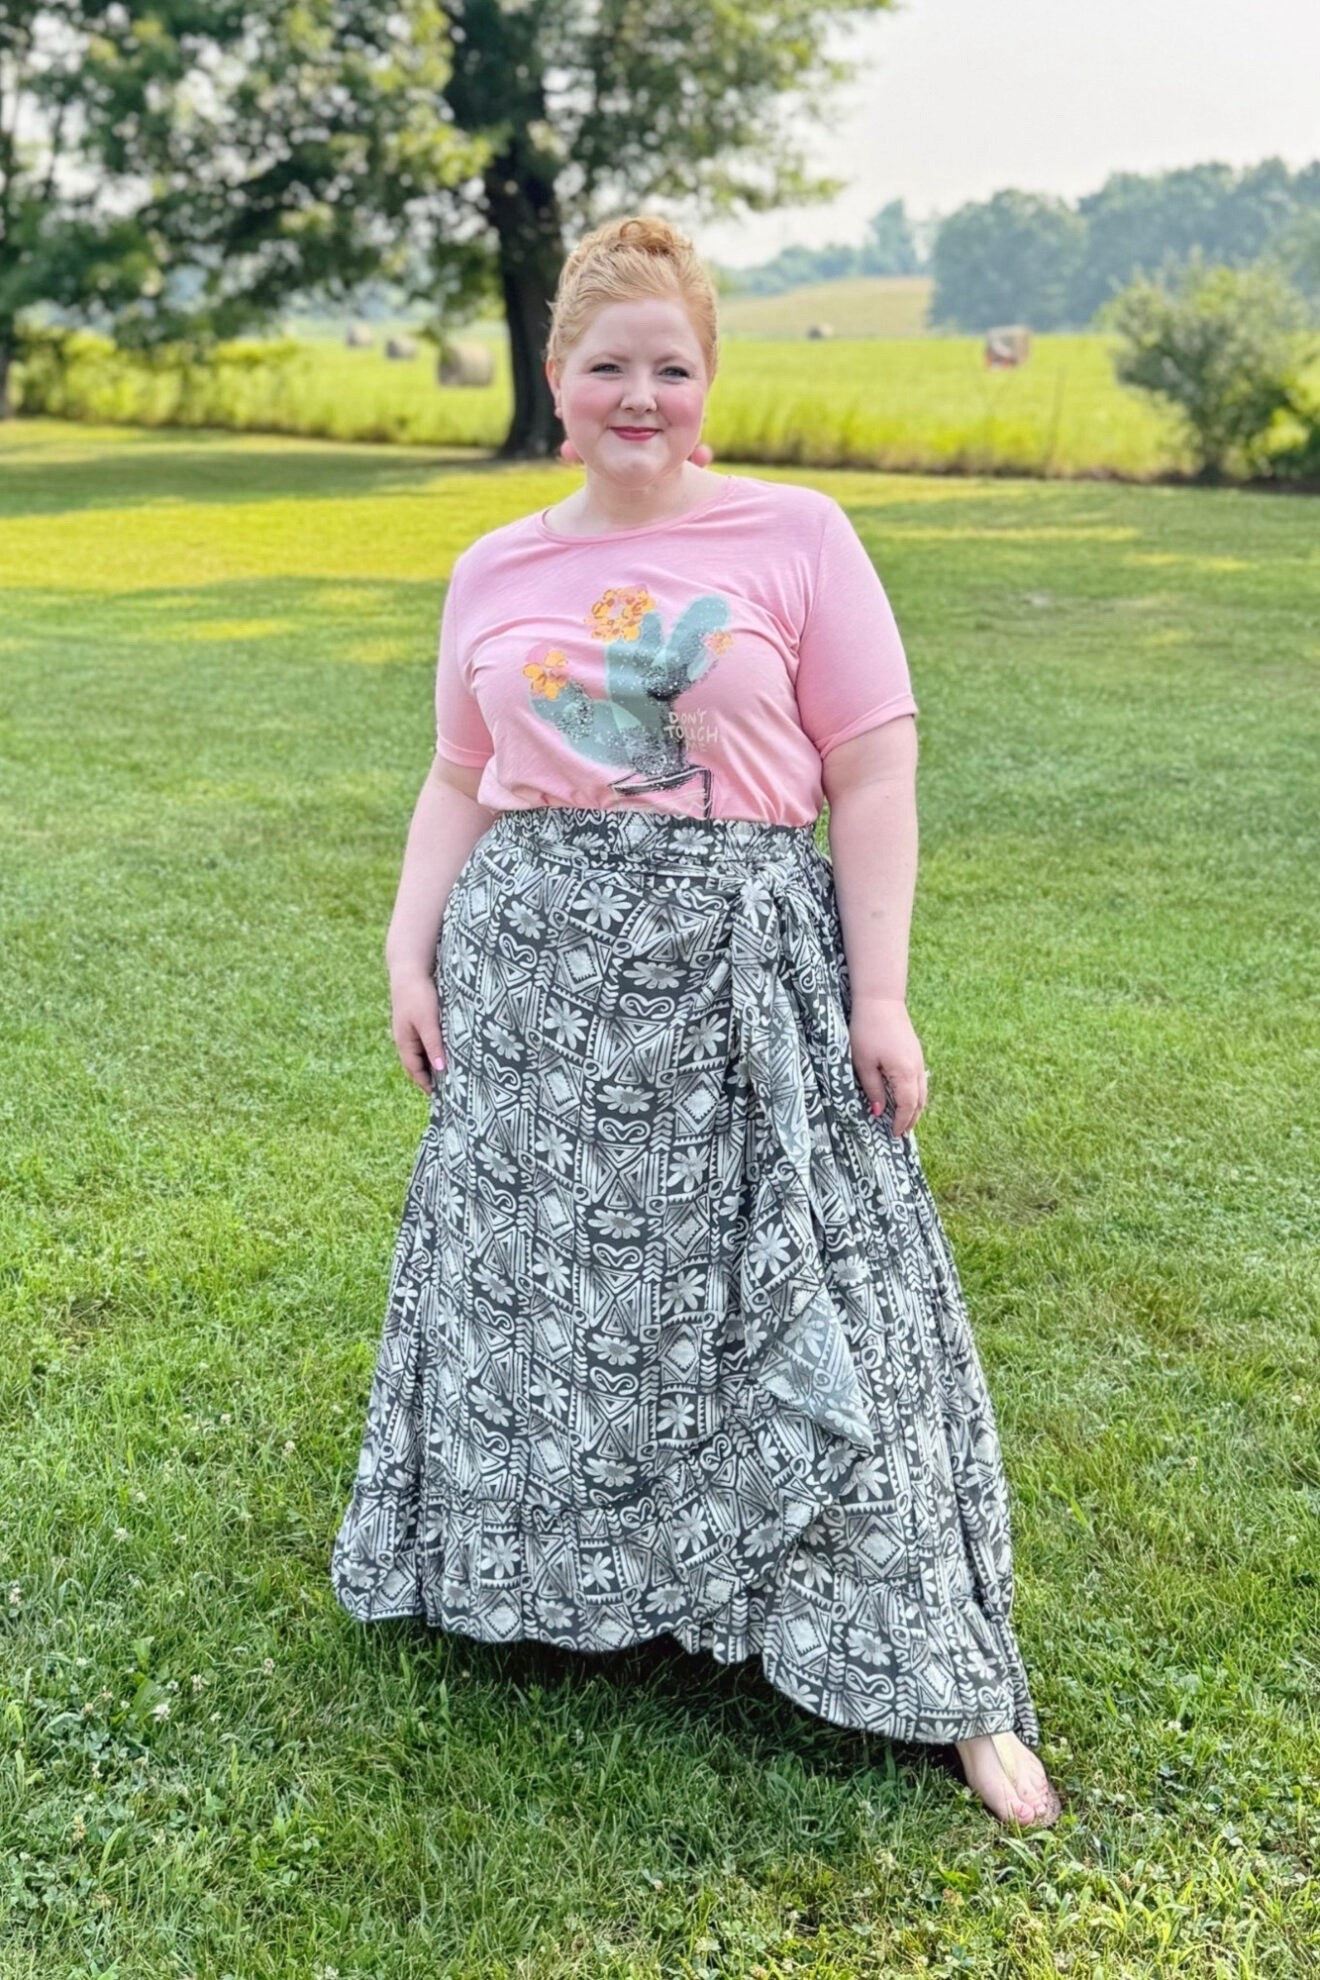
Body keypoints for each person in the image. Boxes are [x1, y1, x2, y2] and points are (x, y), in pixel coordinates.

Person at [329, 213, 1062, 1830]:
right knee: (545, 1287)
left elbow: (874, 767)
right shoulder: (497, 567)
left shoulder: (796, 536)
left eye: (670, 364)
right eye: (608, 366)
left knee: (823, 1282)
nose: (639, 394)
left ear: (708, 376)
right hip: (538, 991)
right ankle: (564, 1576)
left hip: (746, 975)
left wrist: (881, 993)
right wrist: (408, 951)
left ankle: (941, 1671)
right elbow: (460, 775)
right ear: (558, 379)